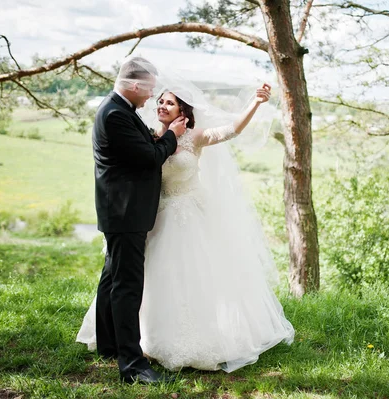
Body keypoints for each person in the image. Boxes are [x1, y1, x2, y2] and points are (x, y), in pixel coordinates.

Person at [78, 71, 294, 373]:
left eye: (170, 103)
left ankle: (189, 338)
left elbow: (231, 130)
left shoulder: (195, 136)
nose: (162, 106)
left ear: (183, 111)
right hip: (154, 217)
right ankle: (135, 338)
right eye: (161, 101)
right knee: (141, 278)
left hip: (189, 215)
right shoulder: (149, 131)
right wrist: (169, 136)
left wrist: (255, 104)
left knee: (189, 276)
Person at [90, 56, 187, 384]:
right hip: (125, 212)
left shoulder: (118, 109)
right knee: (127, 286)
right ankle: (132, 366)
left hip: (120, 210)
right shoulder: (116, 114)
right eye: (148, 90)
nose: (151, 97)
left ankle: (109, 345)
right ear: (133, 85)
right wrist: (172, 136)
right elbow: (151, 158)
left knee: (112, 278)